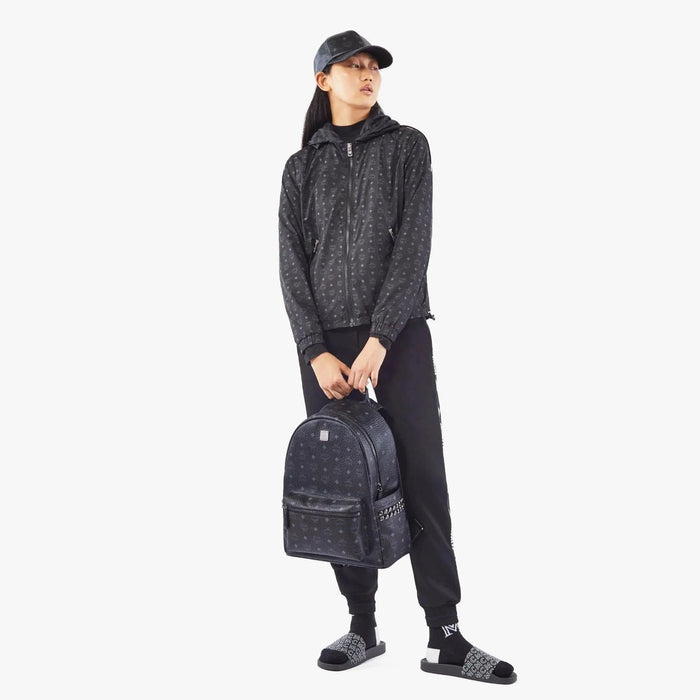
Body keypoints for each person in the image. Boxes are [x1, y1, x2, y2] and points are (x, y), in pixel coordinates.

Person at [278, 29, 517, 685]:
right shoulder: (299, 168)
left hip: (401, 335)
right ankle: (362, 626)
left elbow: (414, 247)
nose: (366, 74)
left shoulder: (408, 147)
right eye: (351, 66)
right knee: (343, 480)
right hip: (326, 348)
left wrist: (382, 338)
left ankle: (446, 635)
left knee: (421, 476)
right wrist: (313, 349)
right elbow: (290, 265)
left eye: (372, 66)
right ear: (323, 80)